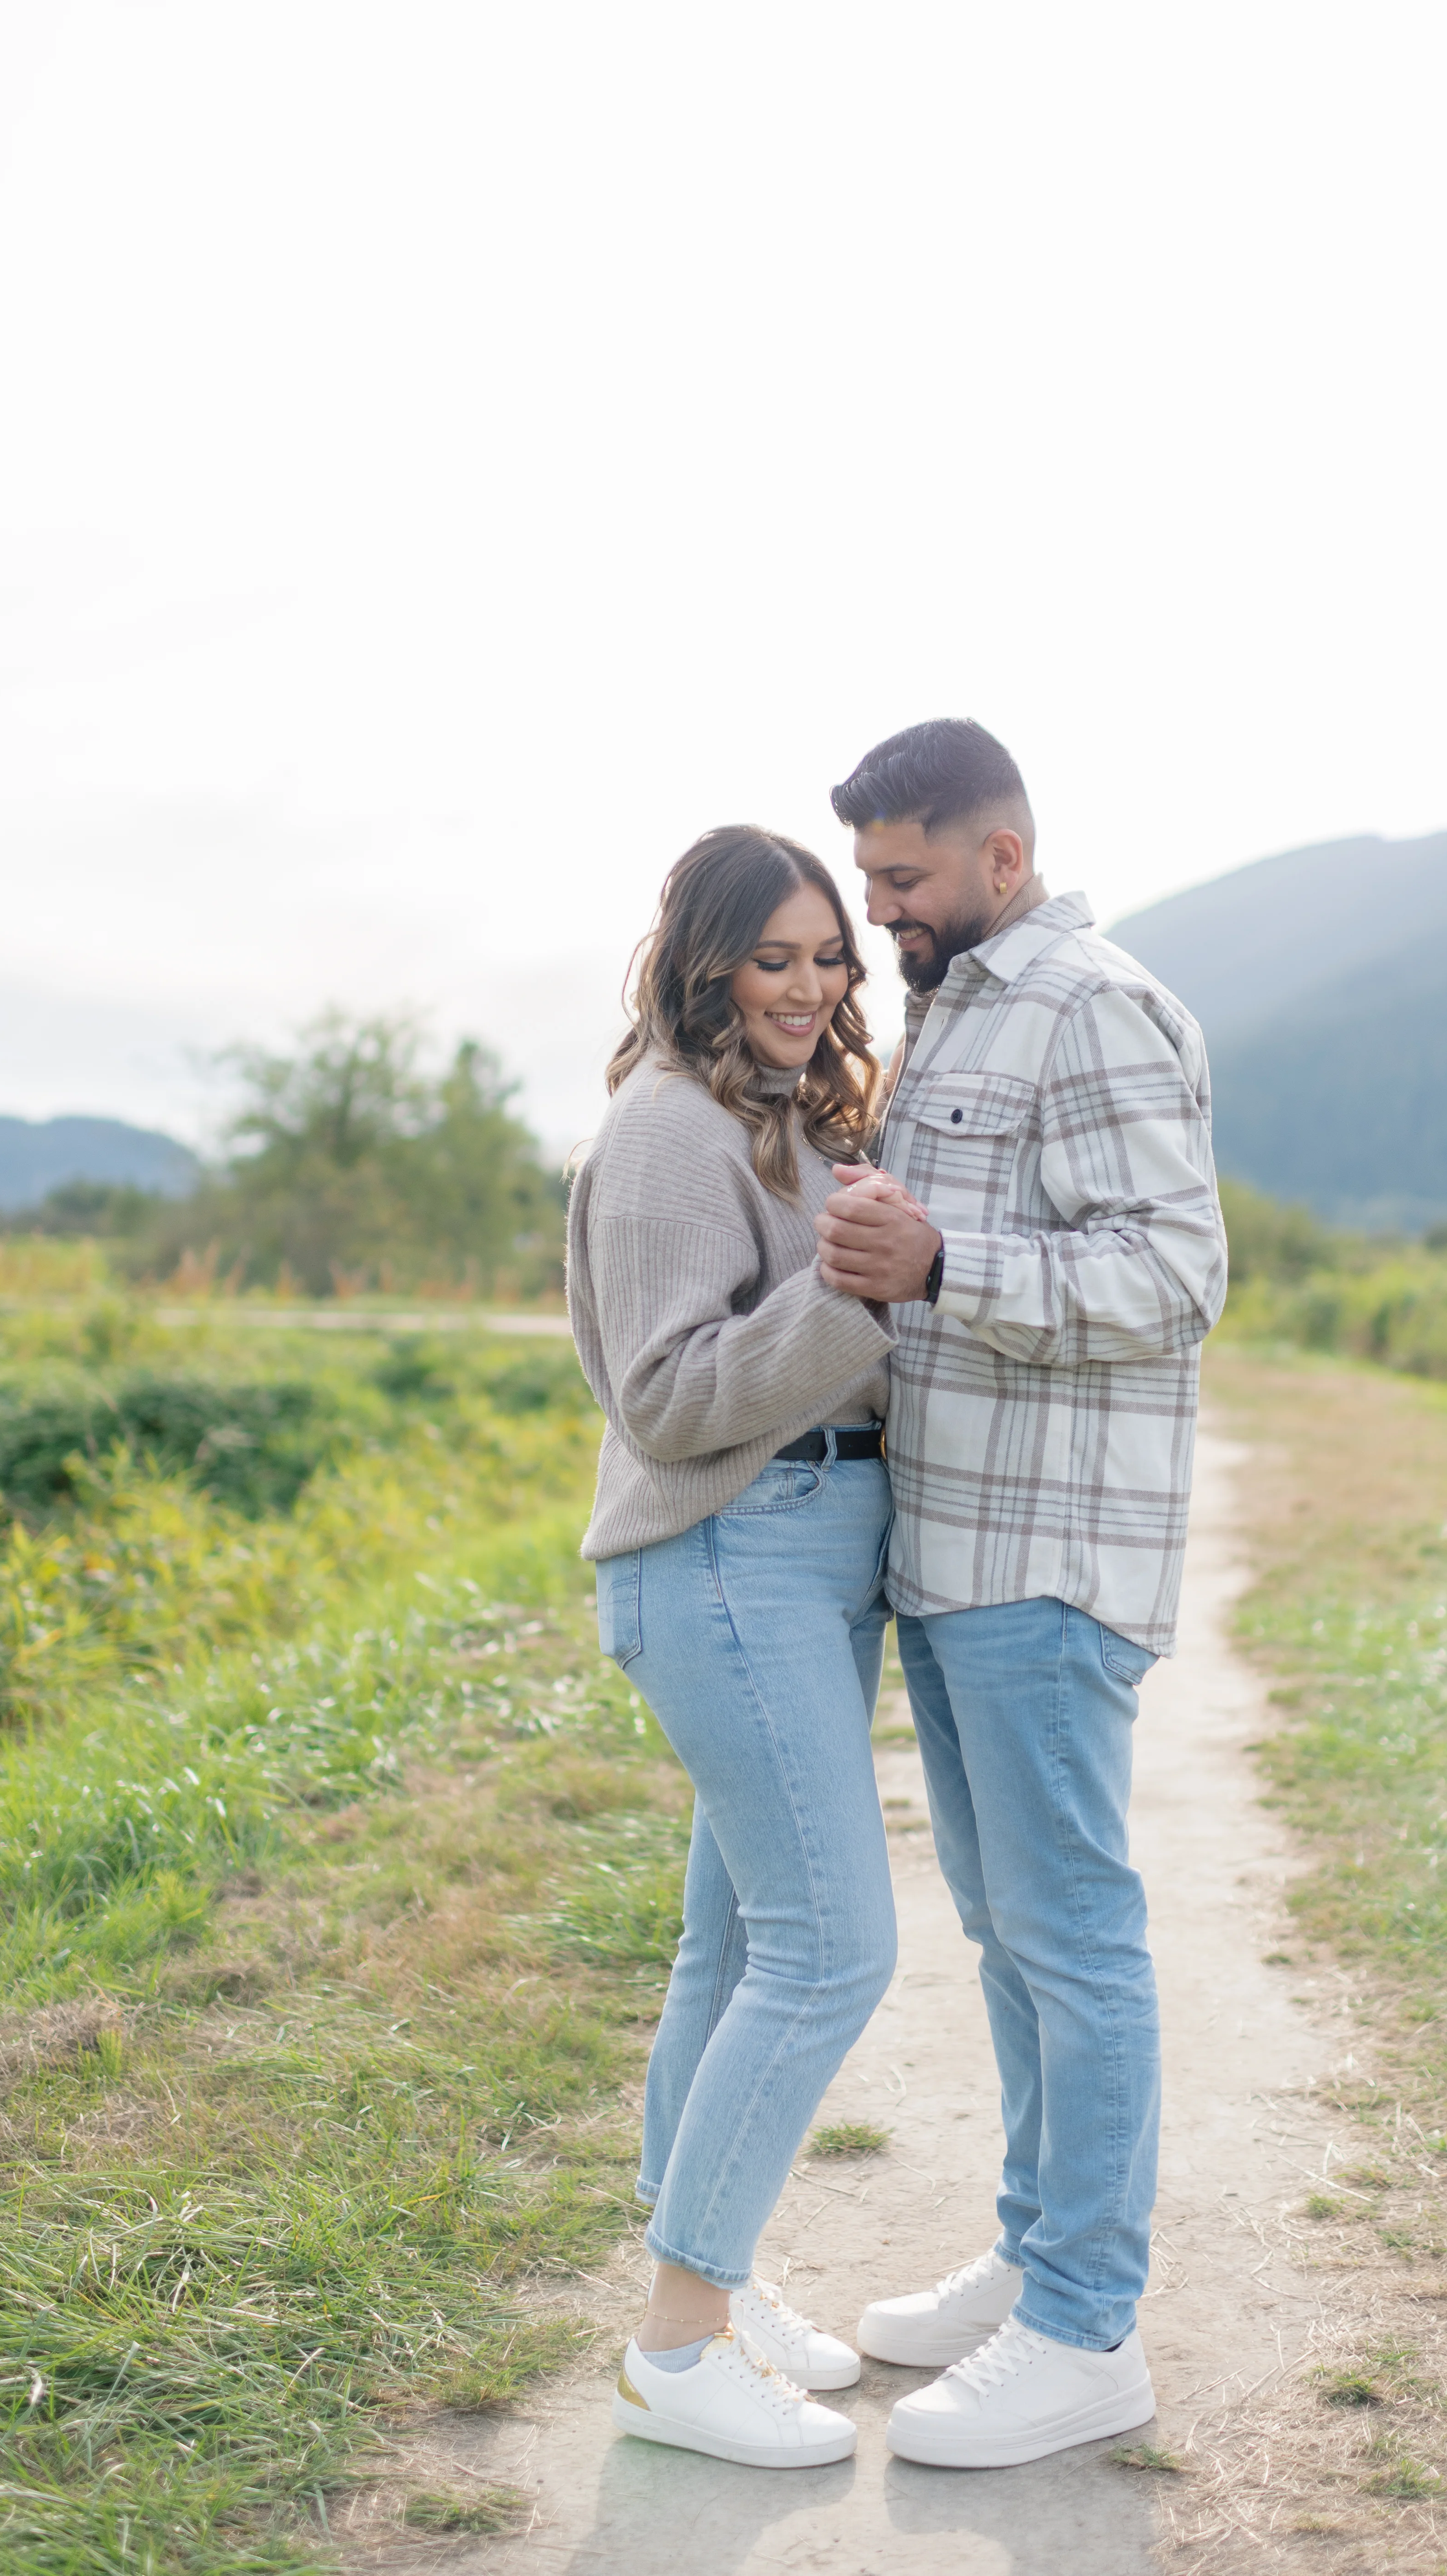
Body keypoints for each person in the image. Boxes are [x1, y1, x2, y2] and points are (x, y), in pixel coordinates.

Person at [814, 718, 1228, 2470]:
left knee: (1074, 1935)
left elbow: (1177, 1269)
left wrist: (941, 1263)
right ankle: (1034, 2254)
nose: (878, 910)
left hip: (1052, 1563)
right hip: (957, 1554)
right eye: (868, 879)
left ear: (1002, 854)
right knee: (1011, 1939)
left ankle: (1088, 2332)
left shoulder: (1094, 1003)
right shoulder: (955, 1008)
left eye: (903, 877)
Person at [567, 824, 902, 2470]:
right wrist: (854, 1295)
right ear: (706, 960)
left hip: (808, 1566)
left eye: (828, 956)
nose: (811, 985)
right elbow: (674, 1393)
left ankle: (715, 2264)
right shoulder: (664, 1133)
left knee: (735, 1946)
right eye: (776, 957)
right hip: (722, 1563)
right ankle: (679, 2348)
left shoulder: (783, 1121)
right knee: (831, 1951)